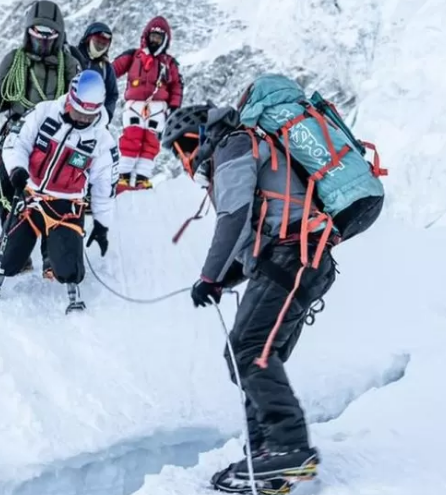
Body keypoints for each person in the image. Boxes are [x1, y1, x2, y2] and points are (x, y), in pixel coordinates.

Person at [161, 100, 337, 492]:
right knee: (251, 355)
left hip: (293, 255)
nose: (183, 159)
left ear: (197, 137)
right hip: (299, 260)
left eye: (182, 148)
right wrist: (222, 281)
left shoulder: (234, 145)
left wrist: (209, 276)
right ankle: (266, 456)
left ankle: (288, 447)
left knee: (247, 350)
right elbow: (252, 235)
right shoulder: (247, 146)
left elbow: (234, 217)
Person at [0, 70, 118, 307]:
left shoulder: (103, 142)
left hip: (66, 205)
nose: (84, 118)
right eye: (80, 111)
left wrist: (102, 225)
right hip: (31, 195)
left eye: (90, 114)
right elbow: (16, 143)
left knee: (67, 268)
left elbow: (105, 187)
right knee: (9, 257)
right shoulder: (43, 113)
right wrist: (17, 170)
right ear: (71, 100)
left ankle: (72, 294)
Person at [0, 0, 82, 276]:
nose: (44, 39)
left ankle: (51, 255)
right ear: (28, 32)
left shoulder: (69, 65)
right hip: (17, 135)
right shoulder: (14, 60)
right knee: (5, 190)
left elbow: (79, 102)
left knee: (52, 195)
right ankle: (15, 247)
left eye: (50, 34)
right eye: (38, 32)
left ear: (59, 35)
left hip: (54, 141)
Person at [111, 15, 183, 193]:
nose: (155, 41)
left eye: (159, 38)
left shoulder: (169, 63)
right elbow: (113, 70)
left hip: (158, 108)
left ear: (165, 40)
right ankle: (124, 175)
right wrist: (101, 78)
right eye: (153, 36)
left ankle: (142, 177)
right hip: (134, 104)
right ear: (146, 36)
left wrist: (174, 106)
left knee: (151, 142)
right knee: (131, 137)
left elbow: (176, 85)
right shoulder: (133, 56)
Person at [66, 22, 118, 122]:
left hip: (92, 119)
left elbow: (112, 94)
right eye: (97, 41)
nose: (100, 46)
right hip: (69, 114)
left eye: (104, 44)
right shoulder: (72, 56)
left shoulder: (106, 67)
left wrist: (106, 115)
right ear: (88, 39)